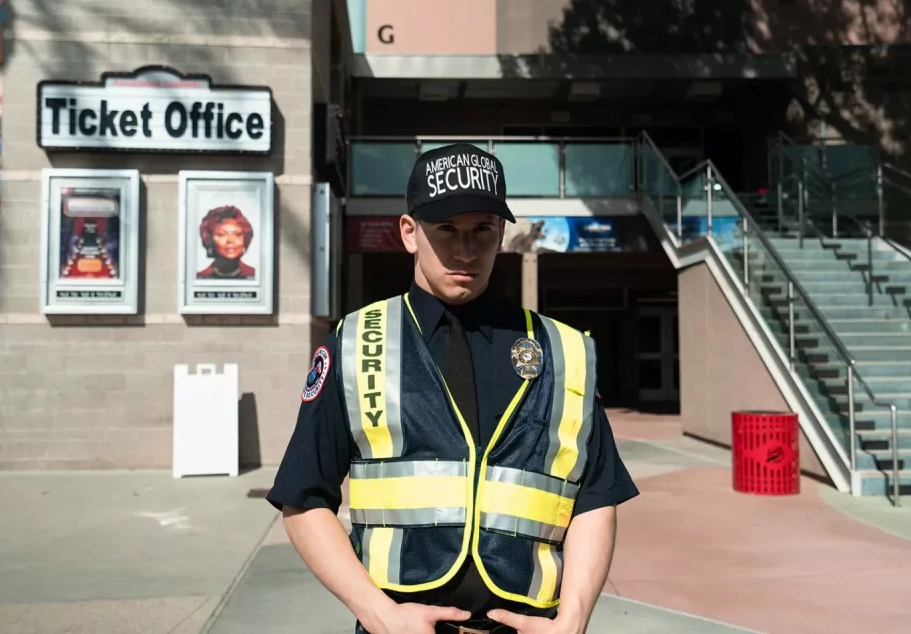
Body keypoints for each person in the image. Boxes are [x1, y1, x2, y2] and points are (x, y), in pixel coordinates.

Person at [267, 143, 639, 634]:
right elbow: (303, 497)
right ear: (409, 233)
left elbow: (594, 498)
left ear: (501, 234)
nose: (466, 251)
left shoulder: (562, 350)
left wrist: (571, 622)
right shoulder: (360, 342)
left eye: (482, 230)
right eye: (446, 230)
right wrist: (380, 616)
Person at [196, 205, 256, 279]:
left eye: (237, 234)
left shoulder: (255, 276)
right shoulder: (200, 278)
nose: (230, 241)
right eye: (222, 235)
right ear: (209, 239)